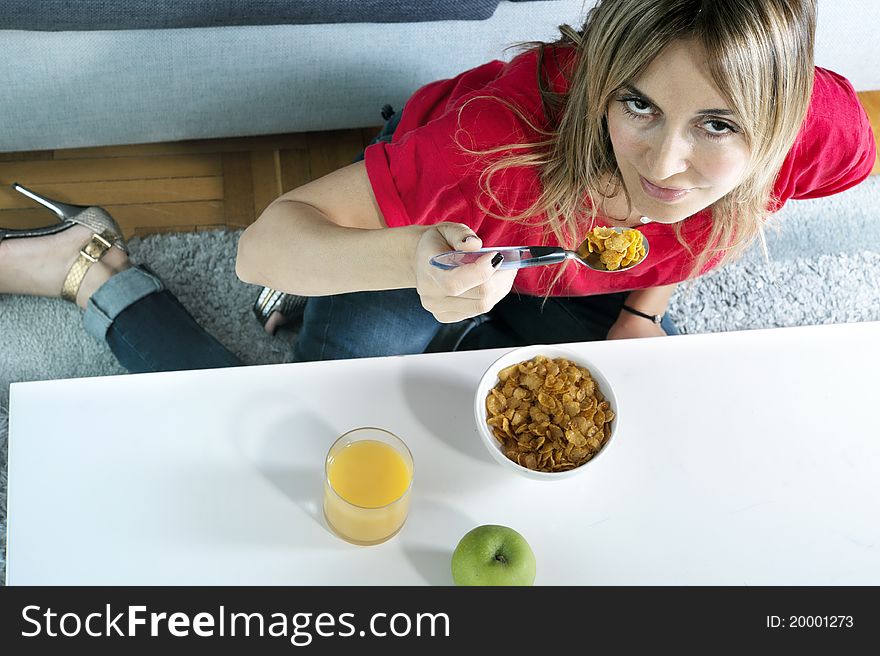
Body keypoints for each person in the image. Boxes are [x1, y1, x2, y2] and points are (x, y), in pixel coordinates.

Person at [1, 0, 875, 374]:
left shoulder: (823, 136)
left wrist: (641, 313)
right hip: (447, 213)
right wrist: (414, 253)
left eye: (717, 126)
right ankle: (96, 272)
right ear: (602, 75)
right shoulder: (491, 143)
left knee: (631, 400)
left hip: (563, 265)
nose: (664, 167)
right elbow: (258, 244)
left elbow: (712, 224)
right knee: (334, 391)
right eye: (637, 105)